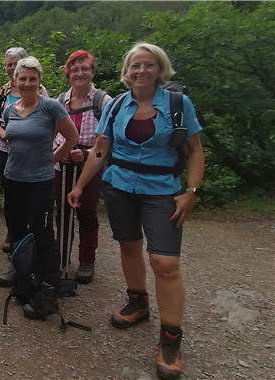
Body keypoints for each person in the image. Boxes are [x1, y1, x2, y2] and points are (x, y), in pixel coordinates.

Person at [68, 42, 204, 380]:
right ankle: (138, 302)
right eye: (135, 66)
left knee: (165, 262)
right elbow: (100, 151)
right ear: (126, 73)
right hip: (120, 187)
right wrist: (80, 186)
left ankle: (170, 340)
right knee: (128, 247)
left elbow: (195, 150)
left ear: (160, 69)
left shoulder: (177, 104)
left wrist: (191, 192)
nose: (141, 71)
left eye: (148, 65)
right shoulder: (116, 106)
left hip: (162, 192)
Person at [1, 56, 78, 320]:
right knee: (19, 231)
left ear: (39, 81)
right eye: (22, 78)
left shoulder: (51, 107)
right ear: (15, 81)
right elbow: (10, 140)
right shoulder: (11, 110)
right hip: (13, 178)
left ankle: (49, 288)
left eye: (32, 79)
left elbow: (72, 137)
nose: (27, 83)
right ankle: (26, 277)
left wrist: (53, 158)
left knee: (44, 234)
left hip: (40, 182)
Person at [53, 50, 112, 285]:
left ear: (92, 71)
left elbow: (107, 139)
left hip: (90, 164)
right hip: (63, 163)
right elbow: (53, 133)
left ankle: (87, 261)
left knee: (86, 212)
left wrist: (85, 153)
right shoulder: (59, 101)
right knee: (62, 211)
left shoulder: (103, 101)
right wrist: (59, 153)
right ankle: (61, 256)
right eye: (74, 69)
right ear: (68, 74)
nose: (79, 73)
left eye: (84, 68)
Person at [0, 47, 28, 284]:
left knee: (28, 194)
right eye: (9, 64)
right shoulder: (1, 92)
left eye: (16, 64)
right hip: (6, 150)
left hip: (30, 153)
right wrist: (4, 134)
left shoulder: (38, 88)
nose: (12, 68)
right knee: (10, 195)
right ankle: (13, 234)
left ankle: (26, 236)